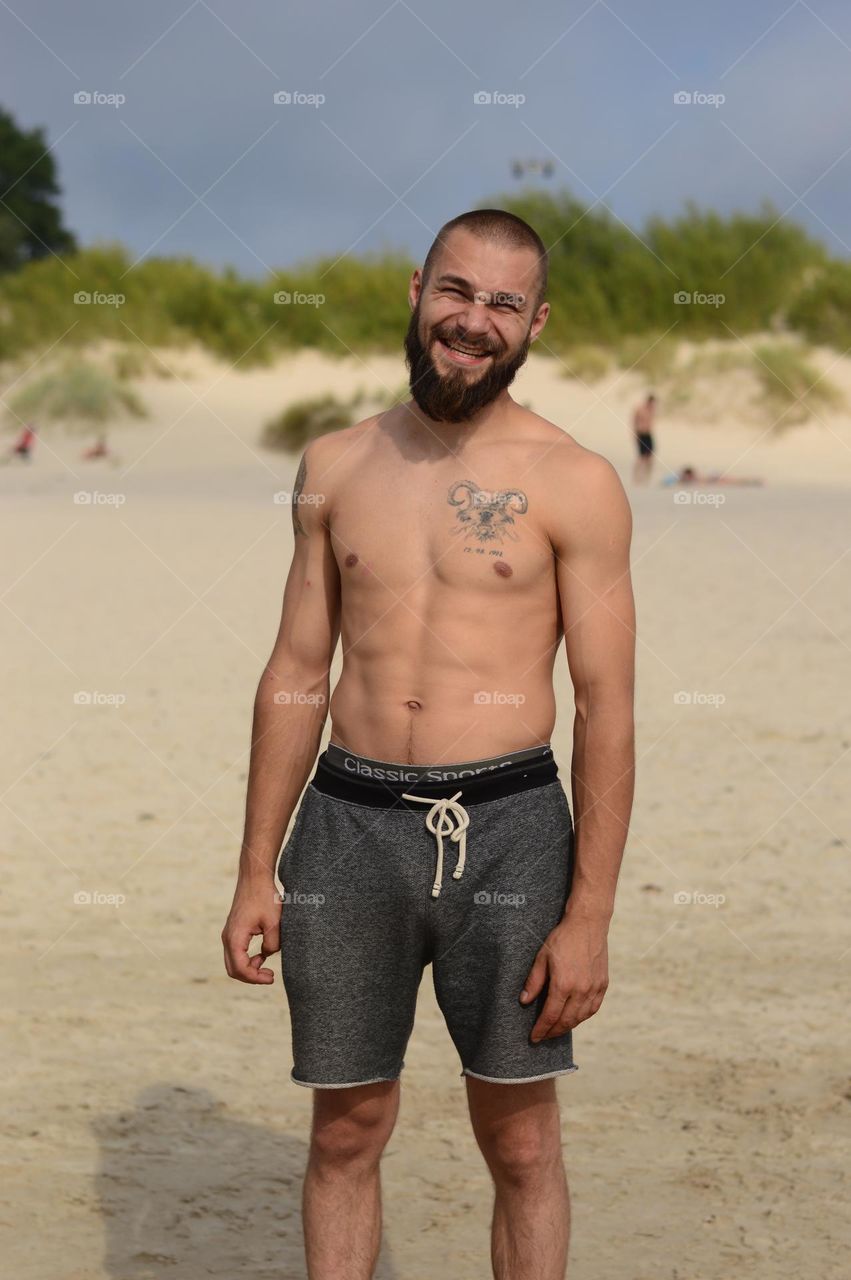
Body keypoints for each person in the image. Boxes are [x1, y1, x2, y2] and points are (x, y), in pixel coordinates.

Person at [222, 209, 636, 1280]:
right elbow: (294, 672)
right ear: (416, 289)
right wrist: (253, 867)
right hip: (346, 826)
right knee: (345, 1129)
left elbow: (606, 704)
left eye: (502, 304)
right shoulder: (335, 462)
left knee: (521, 1136)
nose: (473, 321)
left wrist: (586, 915)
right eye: (456, 292)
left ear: (535, 323)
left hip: (509, 829)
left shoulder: (573, 478)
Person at [662, 464, 763, 487]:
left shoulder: (692, 478)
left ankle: (754, 481)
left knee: (734, 481)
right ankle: (753, 481)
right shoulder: (684, 478)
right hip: (713, 478)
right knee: (734, 481)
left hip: (714, 477)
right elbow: (668, 482)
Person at [631, 392, 656, 483]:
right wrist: (635, 435)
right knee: (641, 457)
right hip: (641, 434)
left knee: (649, 456)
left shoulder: (652, 410)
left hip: (648, 434)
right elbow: (634, 422)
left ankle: (647, 478)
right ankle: (636, 478)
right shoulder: (640, 409)